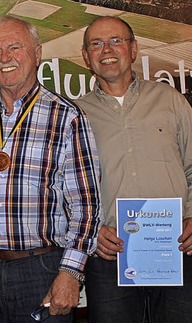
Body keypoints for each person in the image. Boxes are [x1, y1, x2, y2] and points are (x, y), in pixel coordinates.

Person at [0, 15, 101, 322]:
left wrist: (71, 273)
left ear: (38, 53)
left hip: (41, 269)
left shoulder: (66, 117)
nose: (4, 58)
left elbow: (87, 207)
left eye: (15, 47)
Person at [76, 16, 192, 322]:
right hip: (110, 253)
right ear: (86, 57)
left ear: (134, 49)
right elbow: (66, 188)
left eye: (116, 40)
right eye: (96, 44)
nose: (107, 49)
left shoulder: (170, 101)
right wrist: (92, 231)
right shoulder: (76, 115)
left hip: (176, 248)